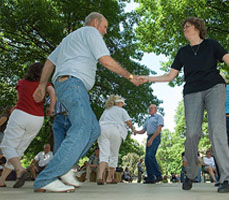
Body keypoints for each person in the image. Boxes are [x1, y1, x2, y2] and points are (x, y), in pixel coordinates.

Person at [139, 17, 229, 193]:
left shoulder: (211, 45)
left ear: (198, 28)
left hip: (215, 87)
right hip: (192, 91)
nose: (185, 29)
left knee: (217, 130)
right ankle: (191, 173)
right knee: (192, 133)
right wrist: (148, 78)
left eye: (188, 26)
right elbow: (170, 76)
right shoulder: (183, 52)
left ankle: (226, 179)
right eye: (183, 27)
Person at [32, 12, 141, 192]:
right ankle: (46, 178)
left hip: (70, 86)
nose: (105, 32)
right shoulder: (91, 32)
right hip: (73, 84)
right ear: (96, 22)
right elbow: (105, 60)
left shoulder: (70, 39)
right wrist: (130, 76)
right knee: (82, 128)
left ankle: (65, 167)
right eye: (105, 27)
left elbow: (50, 62)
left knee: (93, 129)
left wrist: (42, 85)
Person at [0, 62, 55, 188]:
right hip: (37, 119)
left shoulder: (22, 83)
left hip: (21, 115)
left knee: (7, 146)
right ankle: (2, 180)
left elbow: (21, 97)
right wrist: (51, 108)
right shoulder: (45, 84)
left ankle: (20, 169)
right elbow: (52, 93)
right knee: (17, 151)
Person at [96, 95, 135, 185]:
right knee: (114, 154)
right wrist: (133, 129)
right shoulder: (121, 110)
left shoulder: (106, 111)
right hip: (115, 130)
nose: (122, 105)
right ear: (119, 103)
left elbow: (100, 121)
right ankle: (110, 178)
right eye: (122, 103)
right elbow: (128, 122)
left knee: (104, 154)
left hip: (103, 130)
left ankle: (100, 176)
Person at [135, 104, 164, 184]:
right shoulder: (148, 119)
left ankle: (158, 175)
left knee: (150, 155)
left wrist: (151, 139)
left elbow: (158, 130)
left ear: (156, 109)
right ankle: (150, 178)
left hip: (155, 137)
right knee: (147, 158)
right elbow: (144, 130)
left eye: (152, 108)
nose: (150, 109)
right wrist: (136, 131)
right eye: (149, 108)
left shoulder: (158, 117)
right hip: (149, 137)